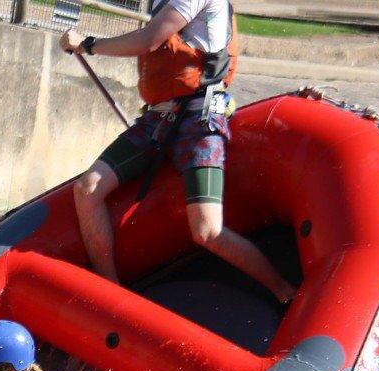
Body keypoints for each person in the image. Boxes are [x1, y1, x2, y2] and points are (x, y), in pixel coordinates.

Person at [60, 1, 297, 304]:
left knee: (207, 230)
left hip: (199, 120)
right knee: (87, 188)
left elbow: (149, 40)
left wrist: (88, 44)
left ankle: (284, 291)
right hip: (158, 119)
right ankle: (111, 292)